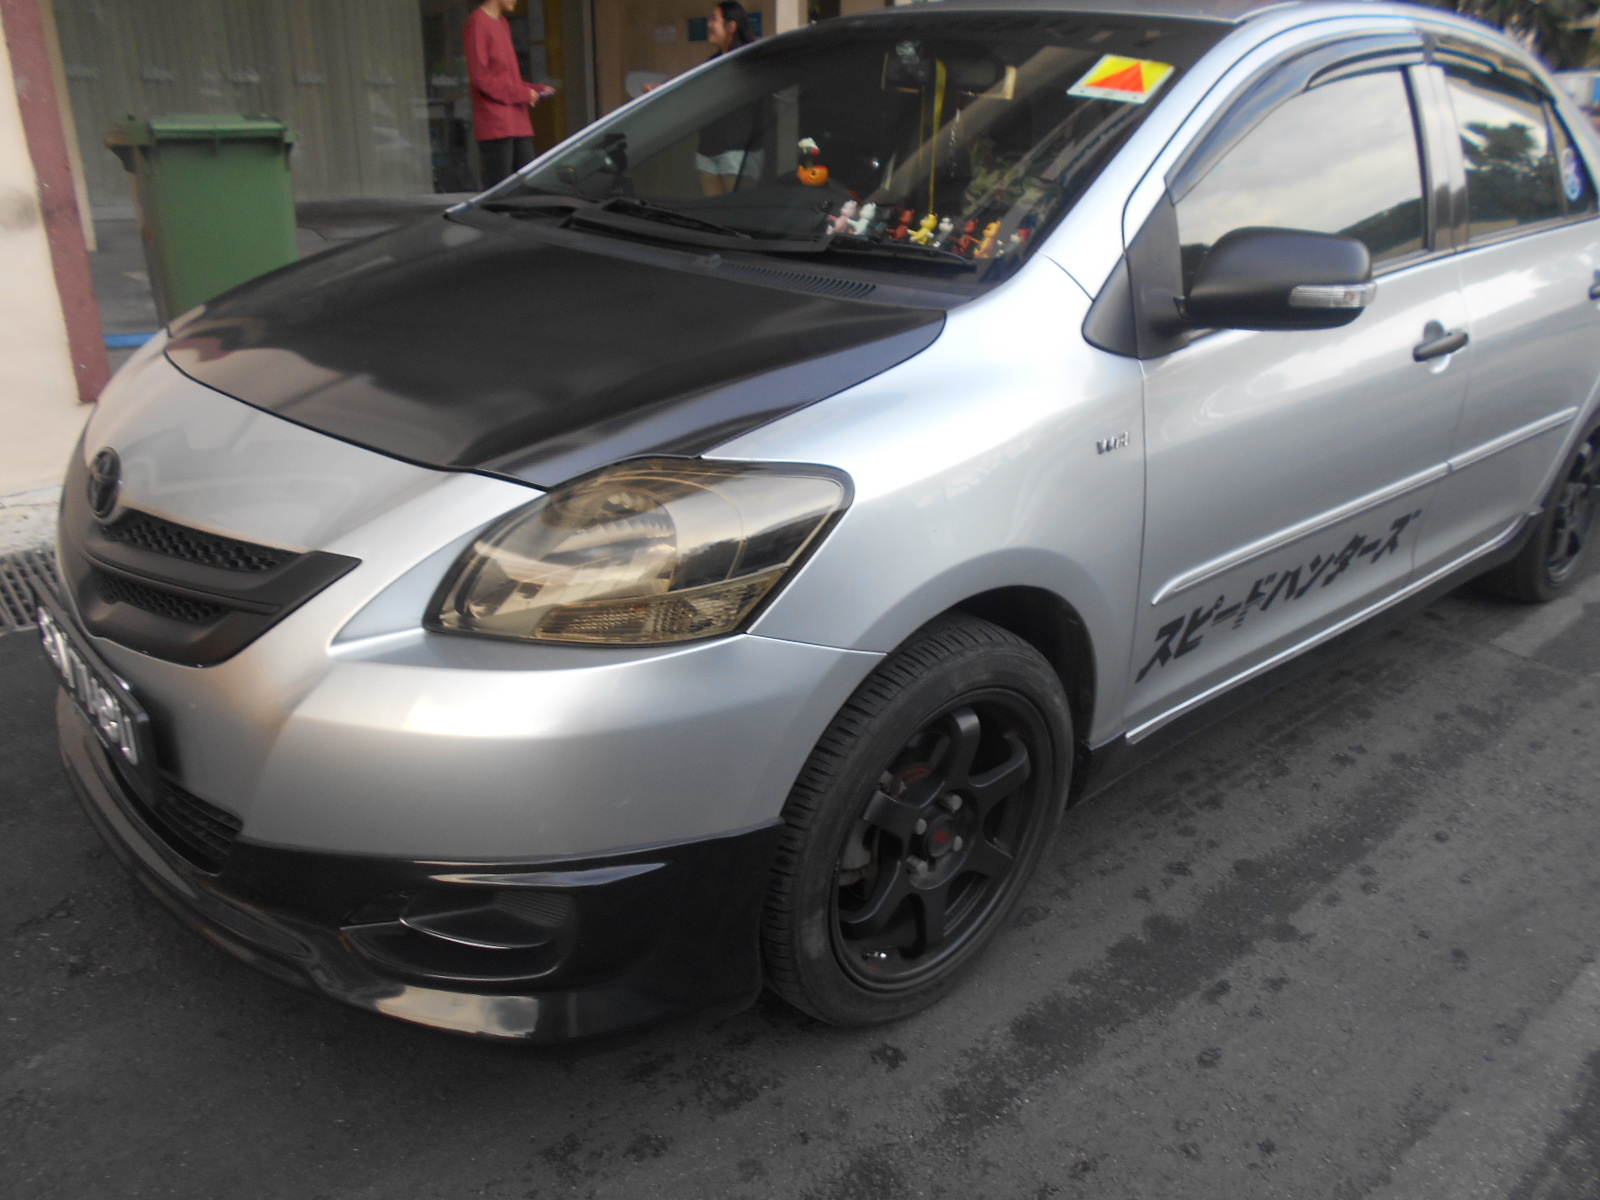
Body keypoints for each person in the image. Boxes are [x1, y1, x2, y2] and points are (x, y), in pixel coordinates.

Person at [465, 0, 554, 188]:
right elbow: (481, 78)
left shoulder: (503, 23)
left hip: (518, 121)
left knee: (529, 184)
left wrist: (533, 88)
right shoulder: (478, 23)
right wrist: (522, 93)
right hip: (496, 124)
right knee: (502, 190)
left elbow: (506, 77)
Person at [695, 2, 762, 194]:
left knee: (737, 209)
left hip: (737, 154)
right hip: (708, 152)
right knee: (713, 209)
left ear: (731, 26)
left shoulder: (749, 60)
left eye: (715, 19)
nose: (710, 24)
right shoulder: (713, 62)